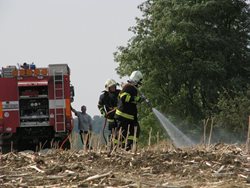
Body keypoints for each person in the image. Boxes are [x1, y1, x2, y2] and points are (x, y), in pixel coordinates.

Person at [114, 70, 145, 151]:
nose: (139, 84)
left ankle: (129, 146)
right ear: (136, 80)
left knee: (135, 130)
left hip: (130, 116)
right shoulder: (128, 87)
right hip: (123, 116)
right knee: (121, 133)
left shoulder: (132, 88)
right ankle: (114, 148)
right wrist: (137, 99)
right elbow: (124, 97)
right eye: (139, 81)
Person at [98, 79, 120, 146]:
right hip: (110, 117)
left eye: (114, 86)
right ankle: (112, 145)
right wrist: (103, 113)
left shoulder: (119, 93)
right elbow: (100, 106)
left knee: (121, 131)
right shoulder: (104, 96)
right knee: (112, 132)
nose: (113, 88)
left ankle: (121, 146)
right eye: (112, 87)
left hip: (120, 116)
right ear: (108, 88)